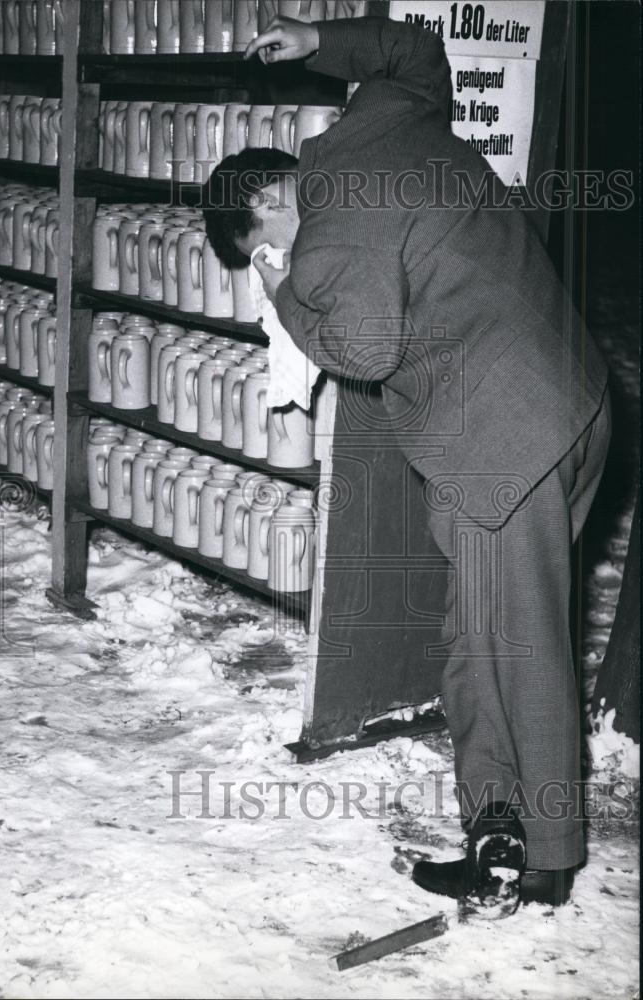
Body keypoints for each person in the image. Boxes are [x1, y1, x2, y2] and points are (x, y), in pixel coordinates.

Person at [202, 14, 610, 917]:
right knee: (479, 634)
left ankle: (544, 857)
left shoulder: (325, 245)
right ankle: (495, 826)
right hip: (569, 402)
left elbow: (365, 344)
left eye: (257, 248)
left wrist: (286, 292)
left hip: (504, 443)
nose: (269, 260)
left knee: (519, 642)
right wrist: (316, 40)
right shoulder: (379, 123)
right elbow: (419, 52)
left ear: (267, 212)